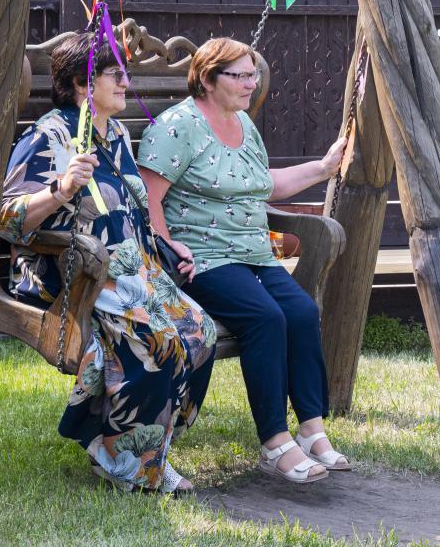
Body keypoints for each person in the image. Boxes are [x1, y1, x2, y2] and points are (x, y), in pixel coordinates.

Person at [0, 32, 216, 495]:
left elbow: (132, 208)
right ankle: (127, 464)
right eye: (116, 74)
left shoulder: (115, 134)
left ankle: (150, 449)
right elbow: (6, 219)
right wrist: (60, 189)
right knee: (157, 339)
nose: (125, 83)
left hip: (131, 270)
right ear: (84, 83)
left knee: (200, 330)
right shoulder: (49, 136)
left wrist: (164, 243)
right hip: (75, 275)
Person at [136, 38, 350, 484]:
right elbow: (148, 198)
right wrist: (166, 249)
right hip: (202, 258)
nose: (253, 83)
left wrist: (324, 167)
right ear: (208, 79)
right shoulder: (177, 127)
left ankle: (311, 429)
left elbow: (263, 184)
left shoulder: (243, 124)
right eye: (241, 76)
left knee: (301, 312)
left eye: (253, 74)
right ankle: (275, 442)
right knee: (265, 319)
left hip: (253, 254)